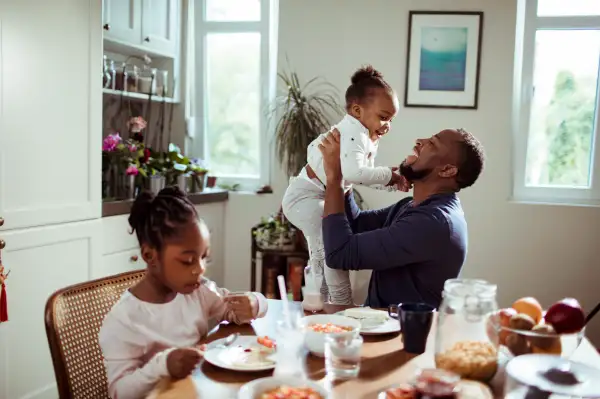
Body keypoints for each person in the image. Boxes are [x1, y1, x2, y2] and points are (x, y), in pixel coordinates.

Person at [99, 187, 268, 399]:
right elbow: (118, 392)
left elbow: (235, 309)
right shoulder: (124, 320)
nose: (200, 268)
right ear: (150, 255)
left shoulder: (199, 292)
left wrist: (255, 303)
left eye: (204, 257)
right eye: (188, 260)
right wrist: (163, 365)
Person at [282, 65, 408, 305]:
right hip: (304, 198)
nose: (387, 125)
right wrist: (390, 176)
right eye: (383, 117)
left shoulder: (366, 135)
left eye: (391, 120)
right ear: (358, 110)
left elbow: (361, 175)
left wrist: (392, 182)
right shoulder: (354, 133)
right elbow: (353, 172)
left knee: (327, 247)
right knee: (329, 247)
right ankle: (336, 301)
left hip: (319, 196)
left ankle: (325, 300)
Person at [318, 128, 485, 308]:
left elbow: (339, 254)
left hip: (405, 333)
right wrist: (347, 175)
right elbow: (356, 224)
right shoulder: (413, 206)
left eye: (433, 143)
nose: (420, 140)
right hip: (381, 324)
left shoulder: (432, 222)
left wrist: (334, 178)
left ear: (447, 170)